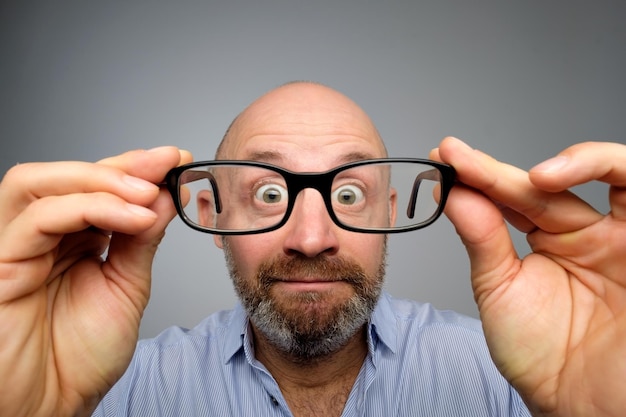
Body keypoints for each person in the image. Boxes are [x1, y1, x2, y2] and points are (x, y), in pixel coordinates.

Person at [0, 82, 624, 417]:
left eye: (348, 194)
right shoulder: (117, 395)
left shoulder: (508, 384)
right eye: (269, 193)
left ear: (387, 212)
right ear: (211, 213)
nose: (310, 238)